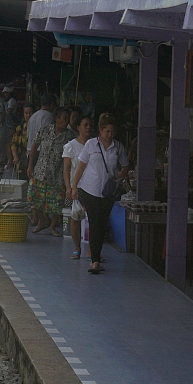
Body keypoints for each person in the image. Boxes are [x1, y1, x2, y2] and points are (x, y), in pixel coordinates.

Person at [71, 113, 129, 274]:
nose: (110, 135)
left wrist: (119, 178)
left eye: (112, 132)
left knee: (101, 225)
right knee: (95, 222)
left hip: (108, 192)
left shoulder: (118, 147)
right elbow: (80, 167)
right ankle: (95, 260)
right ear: (101, 130)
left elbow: (125, 165)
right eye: (107, 132)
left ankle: (95, 256)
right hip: (90, 189)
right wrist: (74, 186)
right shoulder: (91, 145)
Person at [28, 107, 75, 236]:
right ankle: (42, 221)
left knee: (56, 203)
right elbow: (34, 146)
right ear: (57, 119)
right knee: (35, 200)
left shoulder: (69, 136)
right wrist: (30, 165)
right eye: (64, 118)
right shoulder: (45, 130)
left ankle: (52, 227)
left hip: (57, 174)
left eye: (67, 119)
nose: (66, 121)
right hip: (40, 171)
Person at [63, 113, 92, 259]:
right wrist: (69, 187)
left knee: (93, 219)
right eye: (85, 125)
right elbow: (67, 169)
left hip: (92, 187)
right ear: (79, 127)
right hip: (77, 186)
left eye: (89, 125)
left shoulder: (93, 144)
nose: (88, 128)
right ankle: (77, 247)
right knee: (76, 218)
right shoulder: (70, 146)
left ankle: (91, 250)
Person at [27, 94, 56, 228]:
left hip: (30, 152)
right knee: (43, 188)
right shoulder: (48, 117)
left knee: (35, 186)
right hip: (40, 154)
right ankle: (42, 218)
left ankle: (35, 217)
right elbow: (47, 136)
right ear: (51, 105)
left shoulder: (33, 116)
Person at [11, 104, 33, 180]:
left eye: (30, 113)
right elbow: (14, 144)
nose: (28, 115)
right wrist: (15, 156)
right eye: (26, 113)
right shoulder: (19, 128)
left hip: (33, 161)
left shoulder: (37, 128)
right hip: (21, 162)